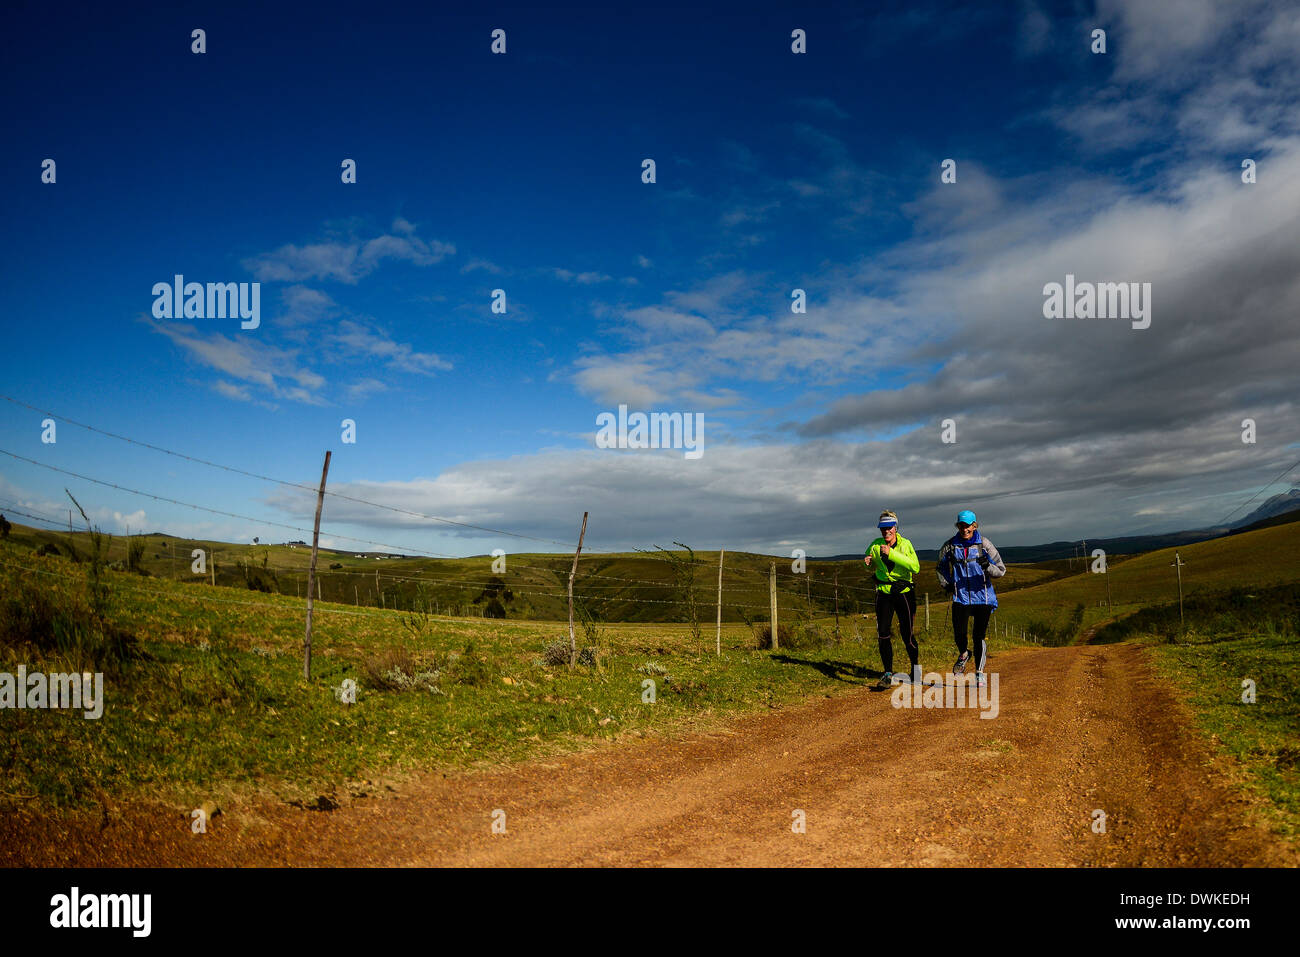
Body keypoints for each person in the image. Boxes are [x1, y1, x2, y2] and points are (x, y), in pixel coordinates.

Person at [936, 510, 1006, 688]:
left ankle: (979, 673)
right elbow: (941, 567)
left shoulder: (984, 544)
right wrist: (947, 584)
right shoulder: (950, 546)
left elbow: (1001, 570)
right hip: (961, 598)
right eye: (961, 525)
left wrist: (987, 566)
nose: (964, 529)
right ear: (957, 526)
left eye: (967, 525)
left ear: (975, 525)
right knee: (959, 634)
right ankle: (964, 653)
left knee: (978, 636)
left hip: (983, 598)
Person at [865, 510, 922, 688]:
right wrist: (867, 561)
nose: (885, 531)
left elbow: (915, 567)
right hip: (883, 592)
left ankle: (915, 670)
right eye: (882, 528)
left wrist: (891, 554)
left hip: (903, 592)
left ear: (895, 527)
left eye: (888, 528)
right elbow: (869, 562)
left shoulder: (906, 544)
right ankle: (887, 674)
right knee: (883, 633)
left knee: (907, 634)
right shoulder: (875, 544)